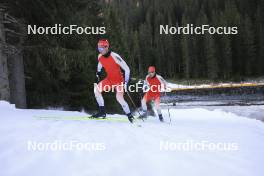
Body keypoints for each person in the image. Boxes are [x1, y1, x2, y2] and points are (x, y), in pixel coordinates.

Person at [92, 39, 134, 123]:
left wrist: (126, 83)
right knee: (96, 90)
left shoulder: (114, 56)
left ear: (106, 47)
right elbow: (100, 64)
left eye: (101, 48)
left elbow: (127, 69)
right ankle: (102, 112)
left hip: (119, 81)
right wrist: (98, 73)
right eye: (98, 48)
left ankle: (129, 115)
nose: (100, 50)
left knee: (119, 98)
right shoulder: (100, 56)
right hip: (109, 79)